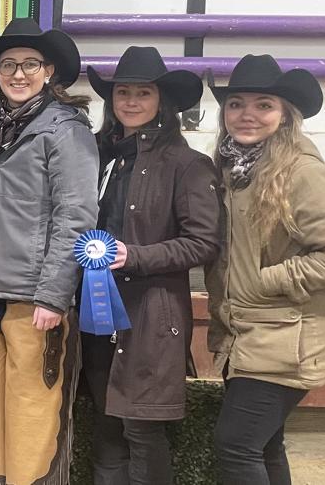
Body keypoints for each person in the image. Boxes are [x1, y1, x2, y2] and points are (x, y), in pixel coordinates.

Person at [0, 18, 98, 485]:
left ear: (49, 70)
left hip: (32, 300)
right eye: (9, 65)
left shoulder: (65, 131)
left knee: (32, 417)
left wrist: (54, 295)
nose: (19, 73)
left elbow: (76, 216)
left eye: (30, 64)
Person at [83, 46, 222, 485]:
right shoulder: (101, 156)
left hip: (152, 314)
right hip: (94, 312)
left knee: (142, 430)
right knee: (106, 424)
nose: (130, 101)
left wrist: (136, 256)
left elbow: (203, 243)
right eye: (122, 92)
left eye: (142, 92)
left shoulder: (189, 165)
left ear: (161, 100)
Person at [206, 54, 325, 485]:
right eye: (236, 103)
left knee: (236, 447)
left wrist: (265, 281)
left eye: (263, 104)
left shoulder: (301, 171)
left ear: (284, 114)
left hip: (284, 335)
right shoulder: (232, 168)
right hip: (249, 333)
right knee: (264, 445)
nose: (247, 115)